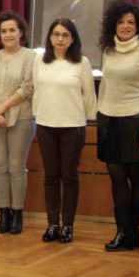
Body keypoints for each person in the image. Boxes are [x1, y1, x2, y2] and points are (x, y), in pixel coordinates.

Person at [96, 1, 139, 252]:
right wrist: (99, 112)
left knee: (137, 177)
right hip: (109, 120)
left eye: (130, 22)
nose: (125, 26)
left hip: (136, 120)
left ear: (138, 26)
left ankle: (133, 231)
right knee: (116, 177)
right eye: (121, 22)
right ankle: (123, 231)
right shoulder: (108, 51)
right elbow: (106, 85)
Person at [32, 18, 97, 244]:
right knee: (51, 177)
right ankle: (52, 224)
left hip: (73, 127)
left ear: (73, 39)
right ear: (50, 37)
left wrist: (90, 121)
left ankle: (68, 225)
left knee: (69, 176)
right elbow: (36, 91)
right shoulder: (40, 60)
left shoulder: (82, 62)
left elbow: (89, 96)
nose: (60, 39)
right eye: (56, 34)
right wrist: (37, 114)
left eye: (65, 35)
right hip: (46, 126)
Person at [0, 11, 36, 234]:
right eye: (4, 31)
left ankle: (17, 213)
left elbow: (27, 87)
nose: (8, 34)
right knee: (0, 168)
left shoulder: (31, 56)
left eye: (12, 30)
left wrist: (3, 108)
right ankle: (3, 213)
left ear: (21, 32)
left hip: (21, 116)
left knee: (16, 167)